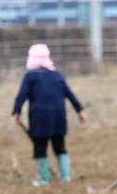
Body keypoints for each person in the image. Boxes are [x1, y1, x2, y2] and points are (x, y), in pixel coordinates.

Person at [12, 44, 86, 186]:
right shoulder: (56, 76)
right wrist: (80, 111)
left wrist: (17, 112)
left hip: (39, 119)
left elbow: (22, 95)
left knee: (40, 147)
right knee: (60, 147)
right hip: (59, 118)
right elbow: (70, 94)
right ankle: (66, 176)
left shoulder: (30, 77)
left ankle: (44, 178)